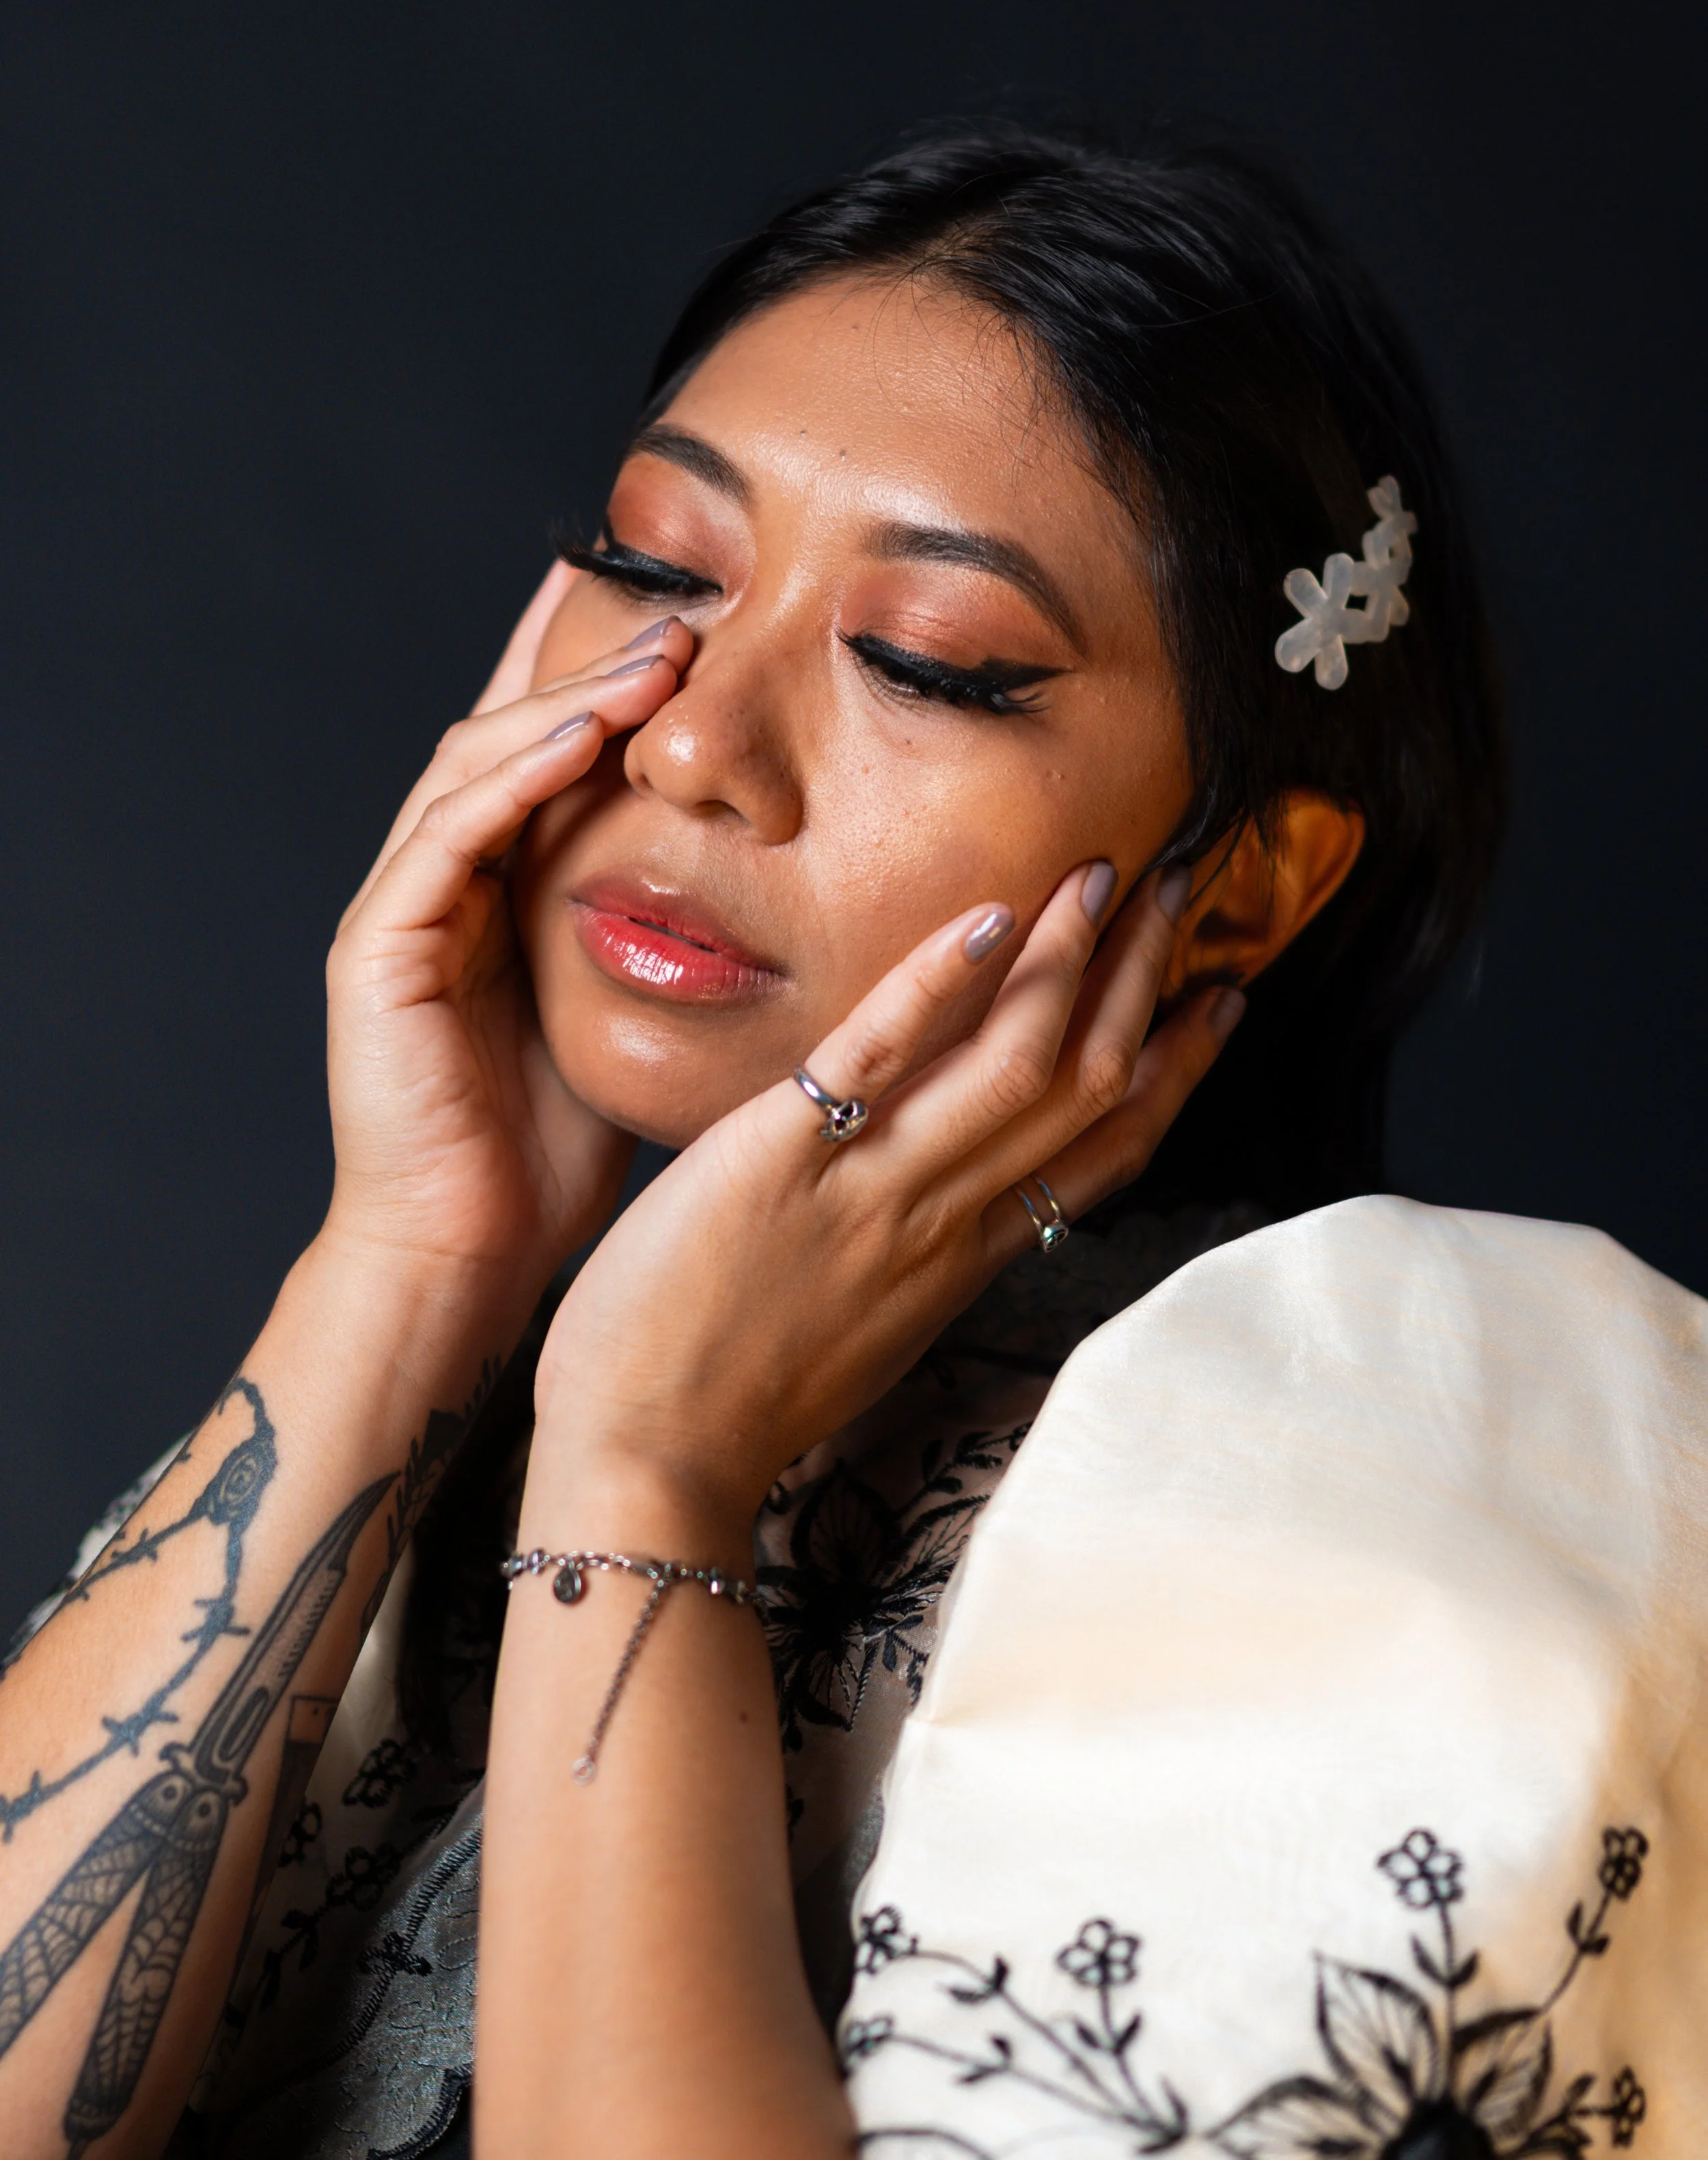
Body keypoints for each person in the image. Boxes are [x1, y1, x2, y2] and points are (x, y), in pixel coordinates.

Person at [0, 128, 1700, 2160]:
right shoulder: (458, 1404)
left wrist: (654, 1470)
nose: (688, 735)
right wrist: (404, 1267)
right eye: (654, 565)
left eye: (926, 664)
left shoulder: (1433, 1482)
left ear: (1240, 889)